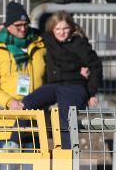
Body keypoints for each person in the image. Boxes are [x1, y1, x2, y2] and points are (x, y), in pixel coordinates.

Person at [0, 2, 46, 170]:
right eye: (18, 26)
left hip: (35, 121)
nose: (23, 29)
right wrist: (10, 102)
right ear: (8, 25)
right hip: (9, 122)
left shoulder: (40, 44)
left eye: (25, 25)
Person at [20, 11, 102, 149]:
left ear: (71, 28)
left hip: (74, 86)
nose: (61, 32)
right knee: (26, 103)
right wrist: (4, 26)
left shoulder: (79, 44)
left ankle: (67, 159)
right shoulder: (48, 39)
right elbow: (27, 30)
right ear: (52, 30)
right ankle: (14, 142)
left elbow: (96, 66)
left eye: (65, 28)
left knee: (66, 122)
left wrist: (91, 92)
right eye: (58, 29)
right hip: (54, 85)